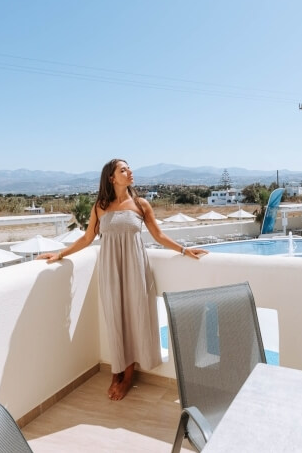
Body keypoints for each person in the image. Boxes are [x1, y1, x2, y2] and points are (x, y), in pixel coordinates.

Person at [37, 159, 208, 400]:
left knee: (135, 317)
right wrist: (60, 254)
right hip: (110, 270)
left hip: (136, 269)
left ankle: (127, 376)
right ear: (111, 178)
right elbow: (87, 239)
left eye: (129, 168)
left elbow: (158, 235)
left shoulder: (140, 204)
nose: (129, 172)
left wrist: (183, 250)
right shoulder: (100, 206)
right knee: (115, 319)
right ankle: (116, 371)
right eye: (123, 169)